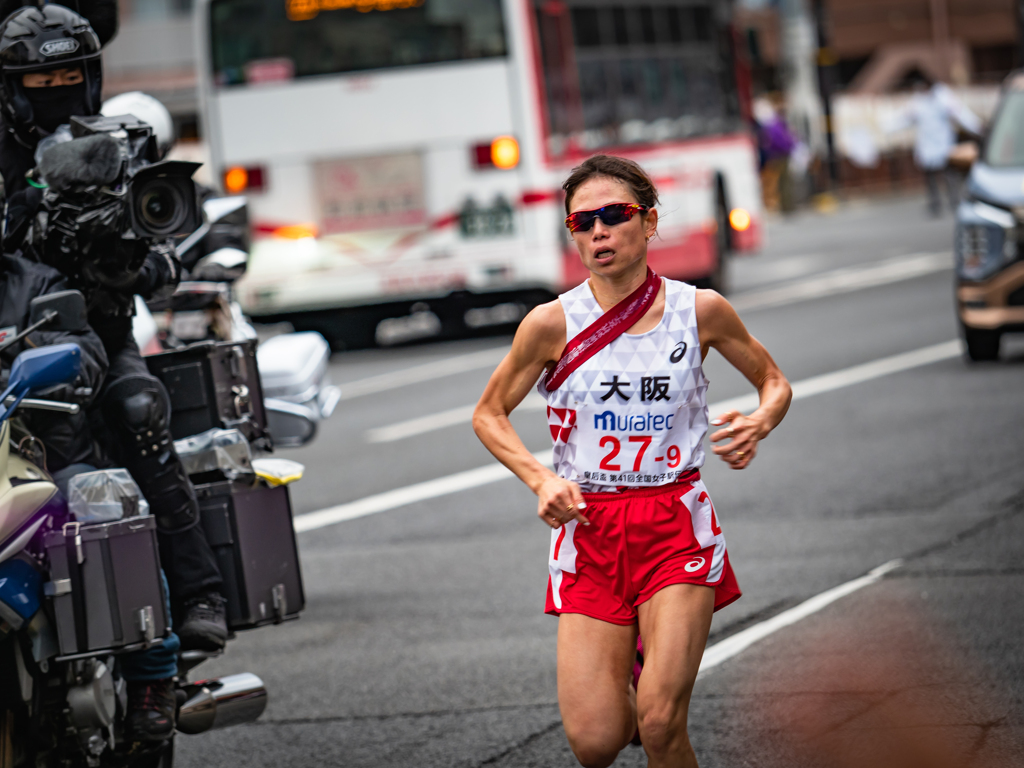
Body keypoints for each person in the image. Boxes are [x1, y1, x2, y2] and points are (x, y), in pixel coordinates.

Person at [473, 155, 792, 768]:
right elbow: (488, 413)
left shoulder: (699, 311)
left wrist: (761, 419)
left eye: (614, 216)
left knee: (661, 722)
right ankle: (632, 659)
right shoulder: (550, 323)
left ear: (648, 223)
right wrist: (542, 479)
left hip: (675, 525)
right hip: (589, 531)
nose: (598, 231)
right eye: (581, 221)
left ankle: (650, 671)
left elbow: (774, 382)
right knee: (596, 742)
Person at [0, 4, 229, 650]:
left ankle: (198, 594)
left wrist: (140, 259)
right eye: (38, 84)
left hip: (98, 332)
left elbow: (167, 250)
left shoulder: (125, 141)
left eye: (68, 77)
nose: (55, 94)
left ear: (91, 76)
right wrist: (29, 209)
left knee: (136, 409)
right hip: (7, 334)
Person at [0, 250, 181, 741]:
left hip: (40, 455)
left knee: (101, 502)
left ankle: (152, 675)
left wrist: (41, 368)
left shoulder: (35, 284)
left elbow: (82, 350)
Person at [895, 74, 982, 216]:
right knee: (930, 177)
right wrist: (882, 126)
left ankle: (954, 201)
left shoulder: (944, 97)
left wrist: (977, 127)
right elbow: (903, 118)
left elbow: (961, 114)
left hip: (944, 144)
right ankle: (935, 203)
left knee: (949, 174)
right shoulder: (918, 101)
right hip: (927, 145)